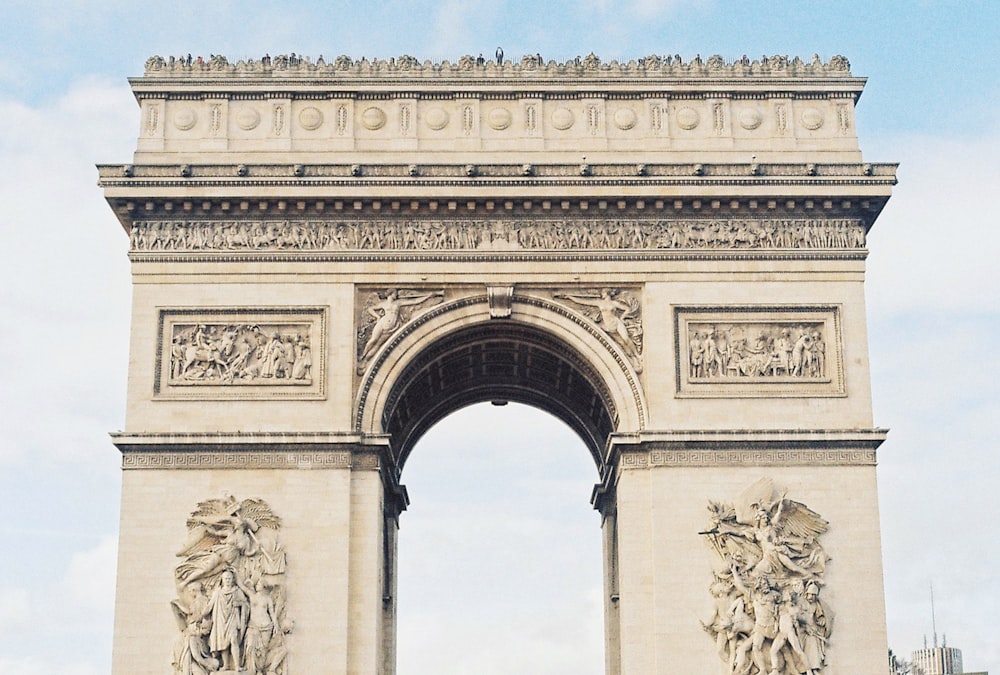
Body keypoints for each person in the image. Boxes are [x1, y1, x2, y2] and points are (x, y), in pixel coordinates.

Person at [205, 569, 249, 671]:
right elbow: (210, 606)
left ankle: (237, 665)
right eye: (225, 578)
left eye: (229, 578)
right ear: (222, 580)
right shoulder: (217, 592)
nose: (227, 580)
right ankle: (226, 665)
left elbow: (246, 604)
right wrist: (200, 615)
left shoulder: (237, 591)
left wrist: (239, 603)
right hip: (221, 619)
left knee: (233, 639)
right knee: (223, 642)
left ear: (233, 579)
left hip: (233, 618)